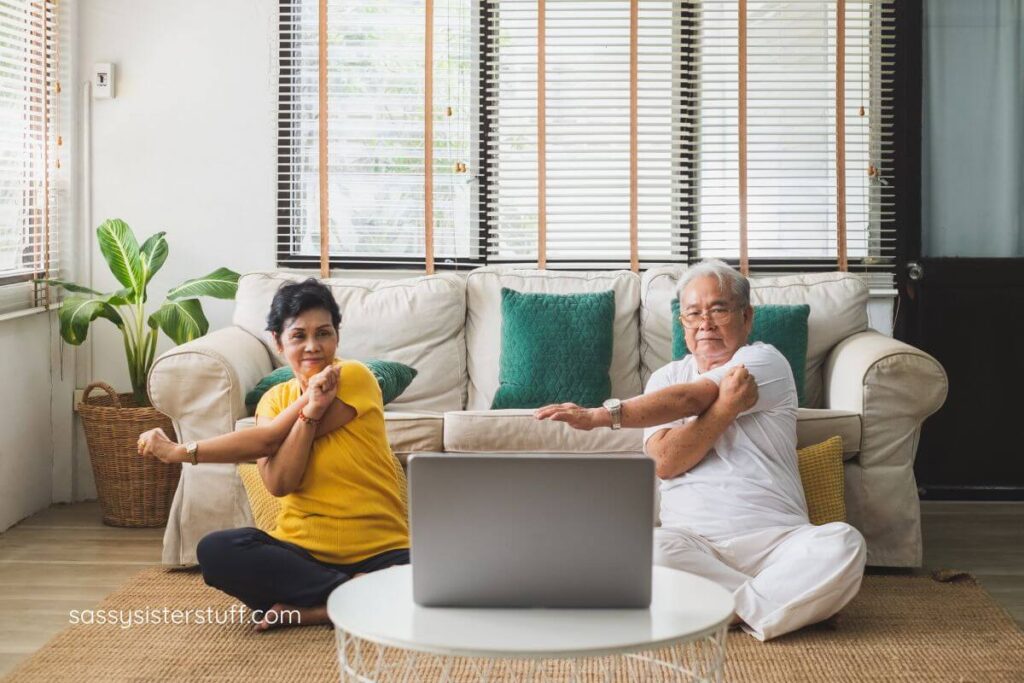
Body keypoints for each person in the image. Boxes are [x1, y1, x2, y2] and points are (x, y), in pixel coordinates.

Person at [535, 259, 866, 641]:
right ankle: (784, 602)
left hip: (779, 541)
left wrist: (600, 415)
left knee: (843, 543)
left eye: (718, 310)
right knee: (643, 551)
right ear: (683, 326)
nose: (705, 323)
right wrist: (727, 408)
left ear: (746, 317)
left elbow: (696, 397)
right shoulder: (666, 380)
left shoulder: (765, 361)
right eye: (693, 314)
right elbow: (665, 461)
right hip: (693, 545)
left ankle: (722, 608)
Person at [137, 278, 409, 631]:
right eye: (298, 336)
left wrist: (178, 452)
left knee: (446, 580)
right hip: (301, 556)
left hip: (381, 551)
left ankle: (320, 608)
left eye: (323, 333)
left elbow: (266, 441)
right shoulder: (272, 401)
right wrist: (310, 412)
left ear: (337, 337)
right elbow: (280, 483)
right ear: (277, 342)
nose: (313, 346)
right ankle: (351, 598)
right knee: (217, 551)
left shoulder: (355, 376)